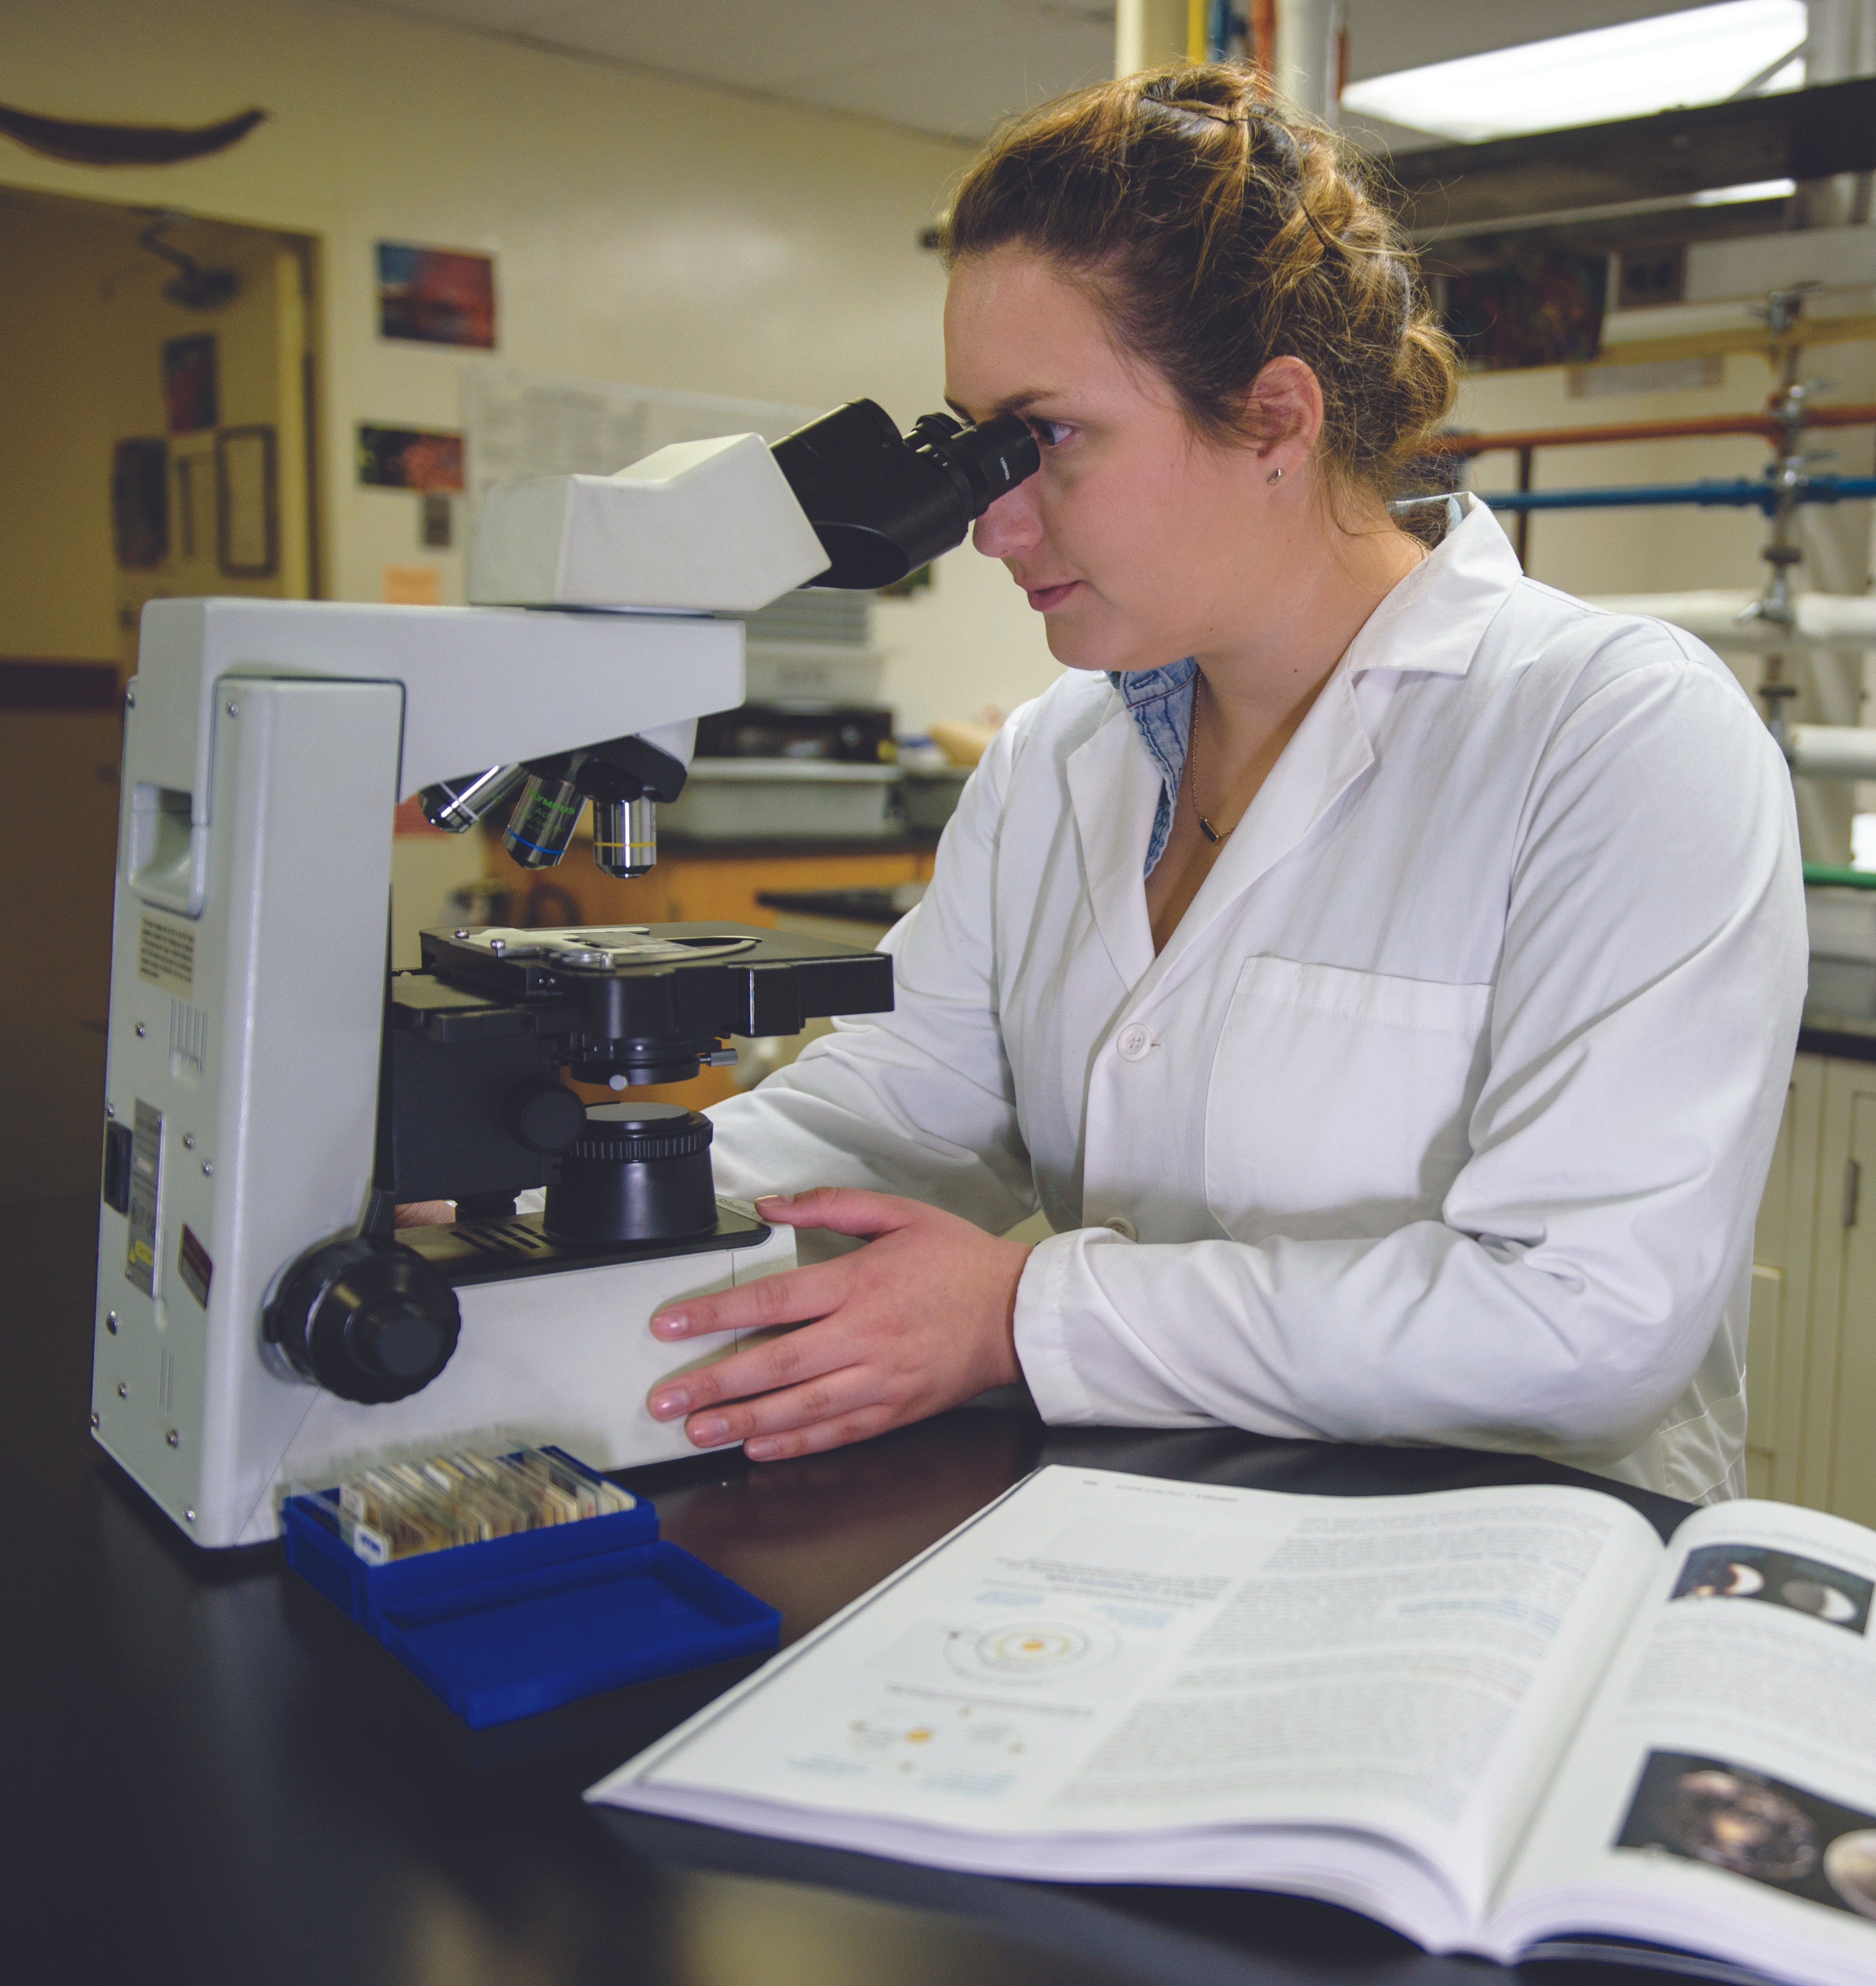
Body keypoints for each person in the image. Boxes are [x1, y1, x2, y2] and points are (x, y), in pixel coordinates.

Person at [640, 64, 1804, 1503]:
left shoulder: (1613, 733)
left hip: (1493, 1568)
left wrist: (1025, 1315)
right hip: (1129, 1531)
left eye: (1046, 436)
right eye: (975, 443)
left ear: (1276, 416)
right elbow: (903, 1103)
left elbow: (1588, 1319)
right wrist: (582, 1213)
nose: (991, 524)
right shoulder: (1060, 753)